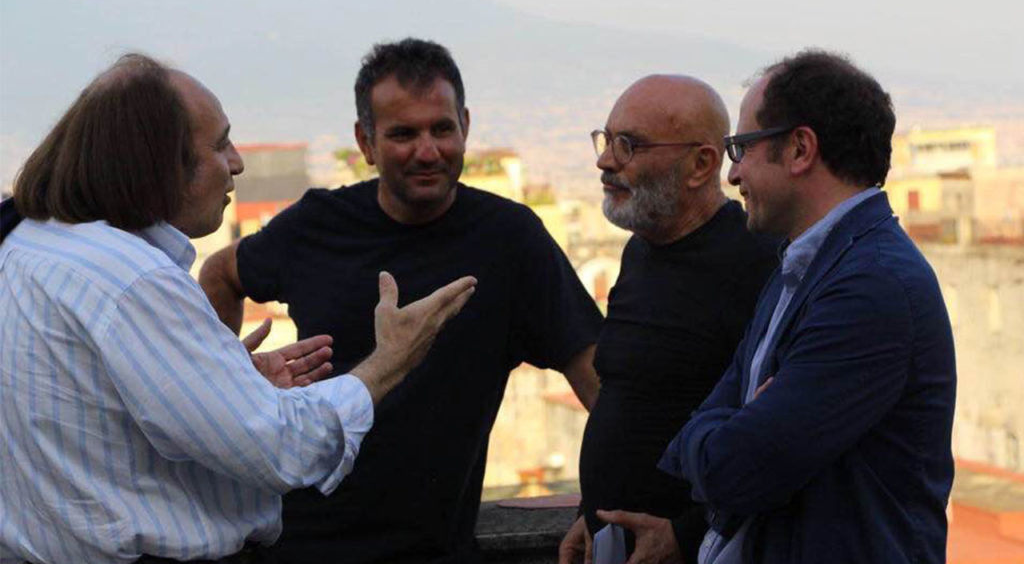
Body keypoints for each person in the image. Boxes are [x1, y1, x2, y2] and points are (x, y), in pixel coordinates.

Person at [0, 54, 476, 564]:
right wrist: (391, 360)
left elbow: (97, 422)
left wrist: (224, 386)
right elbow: (280, 450)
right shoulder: (134, 281)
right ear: (160, 163)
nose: (237, 161)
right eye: (220, 143)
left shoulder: (30, 244)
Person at [199, 38, 603, 563]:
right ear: (365, 142)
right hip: (295, 542)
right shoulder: (318, 224)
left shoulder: (510, 240)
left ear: (466, 127)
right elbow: (221, 272)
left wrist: (614, 499)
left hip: (430, 549)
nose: (428, 150)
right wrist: (222, 381)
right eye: (403, 134)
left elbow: (597, 377)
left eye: (442, 129)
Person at [658, 50, 956, 563]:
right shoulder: (803, 268)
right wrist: (726, 429)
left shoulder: (871, 286)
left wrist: (728, 432)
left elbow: (736, 471)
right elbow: (706, 427)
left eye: (741, 149)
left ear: (799, 149)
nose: (732, 176)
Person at [557, 76, 778, 564]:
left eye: (628, 145)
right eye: (606, 139)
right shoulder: (641, 250)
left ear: (702, 164)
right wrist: (590, 513)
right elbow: (633, 399)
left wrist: (685, 534)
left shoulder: (758, 262)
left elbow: (776, 434)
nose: (605, 160)